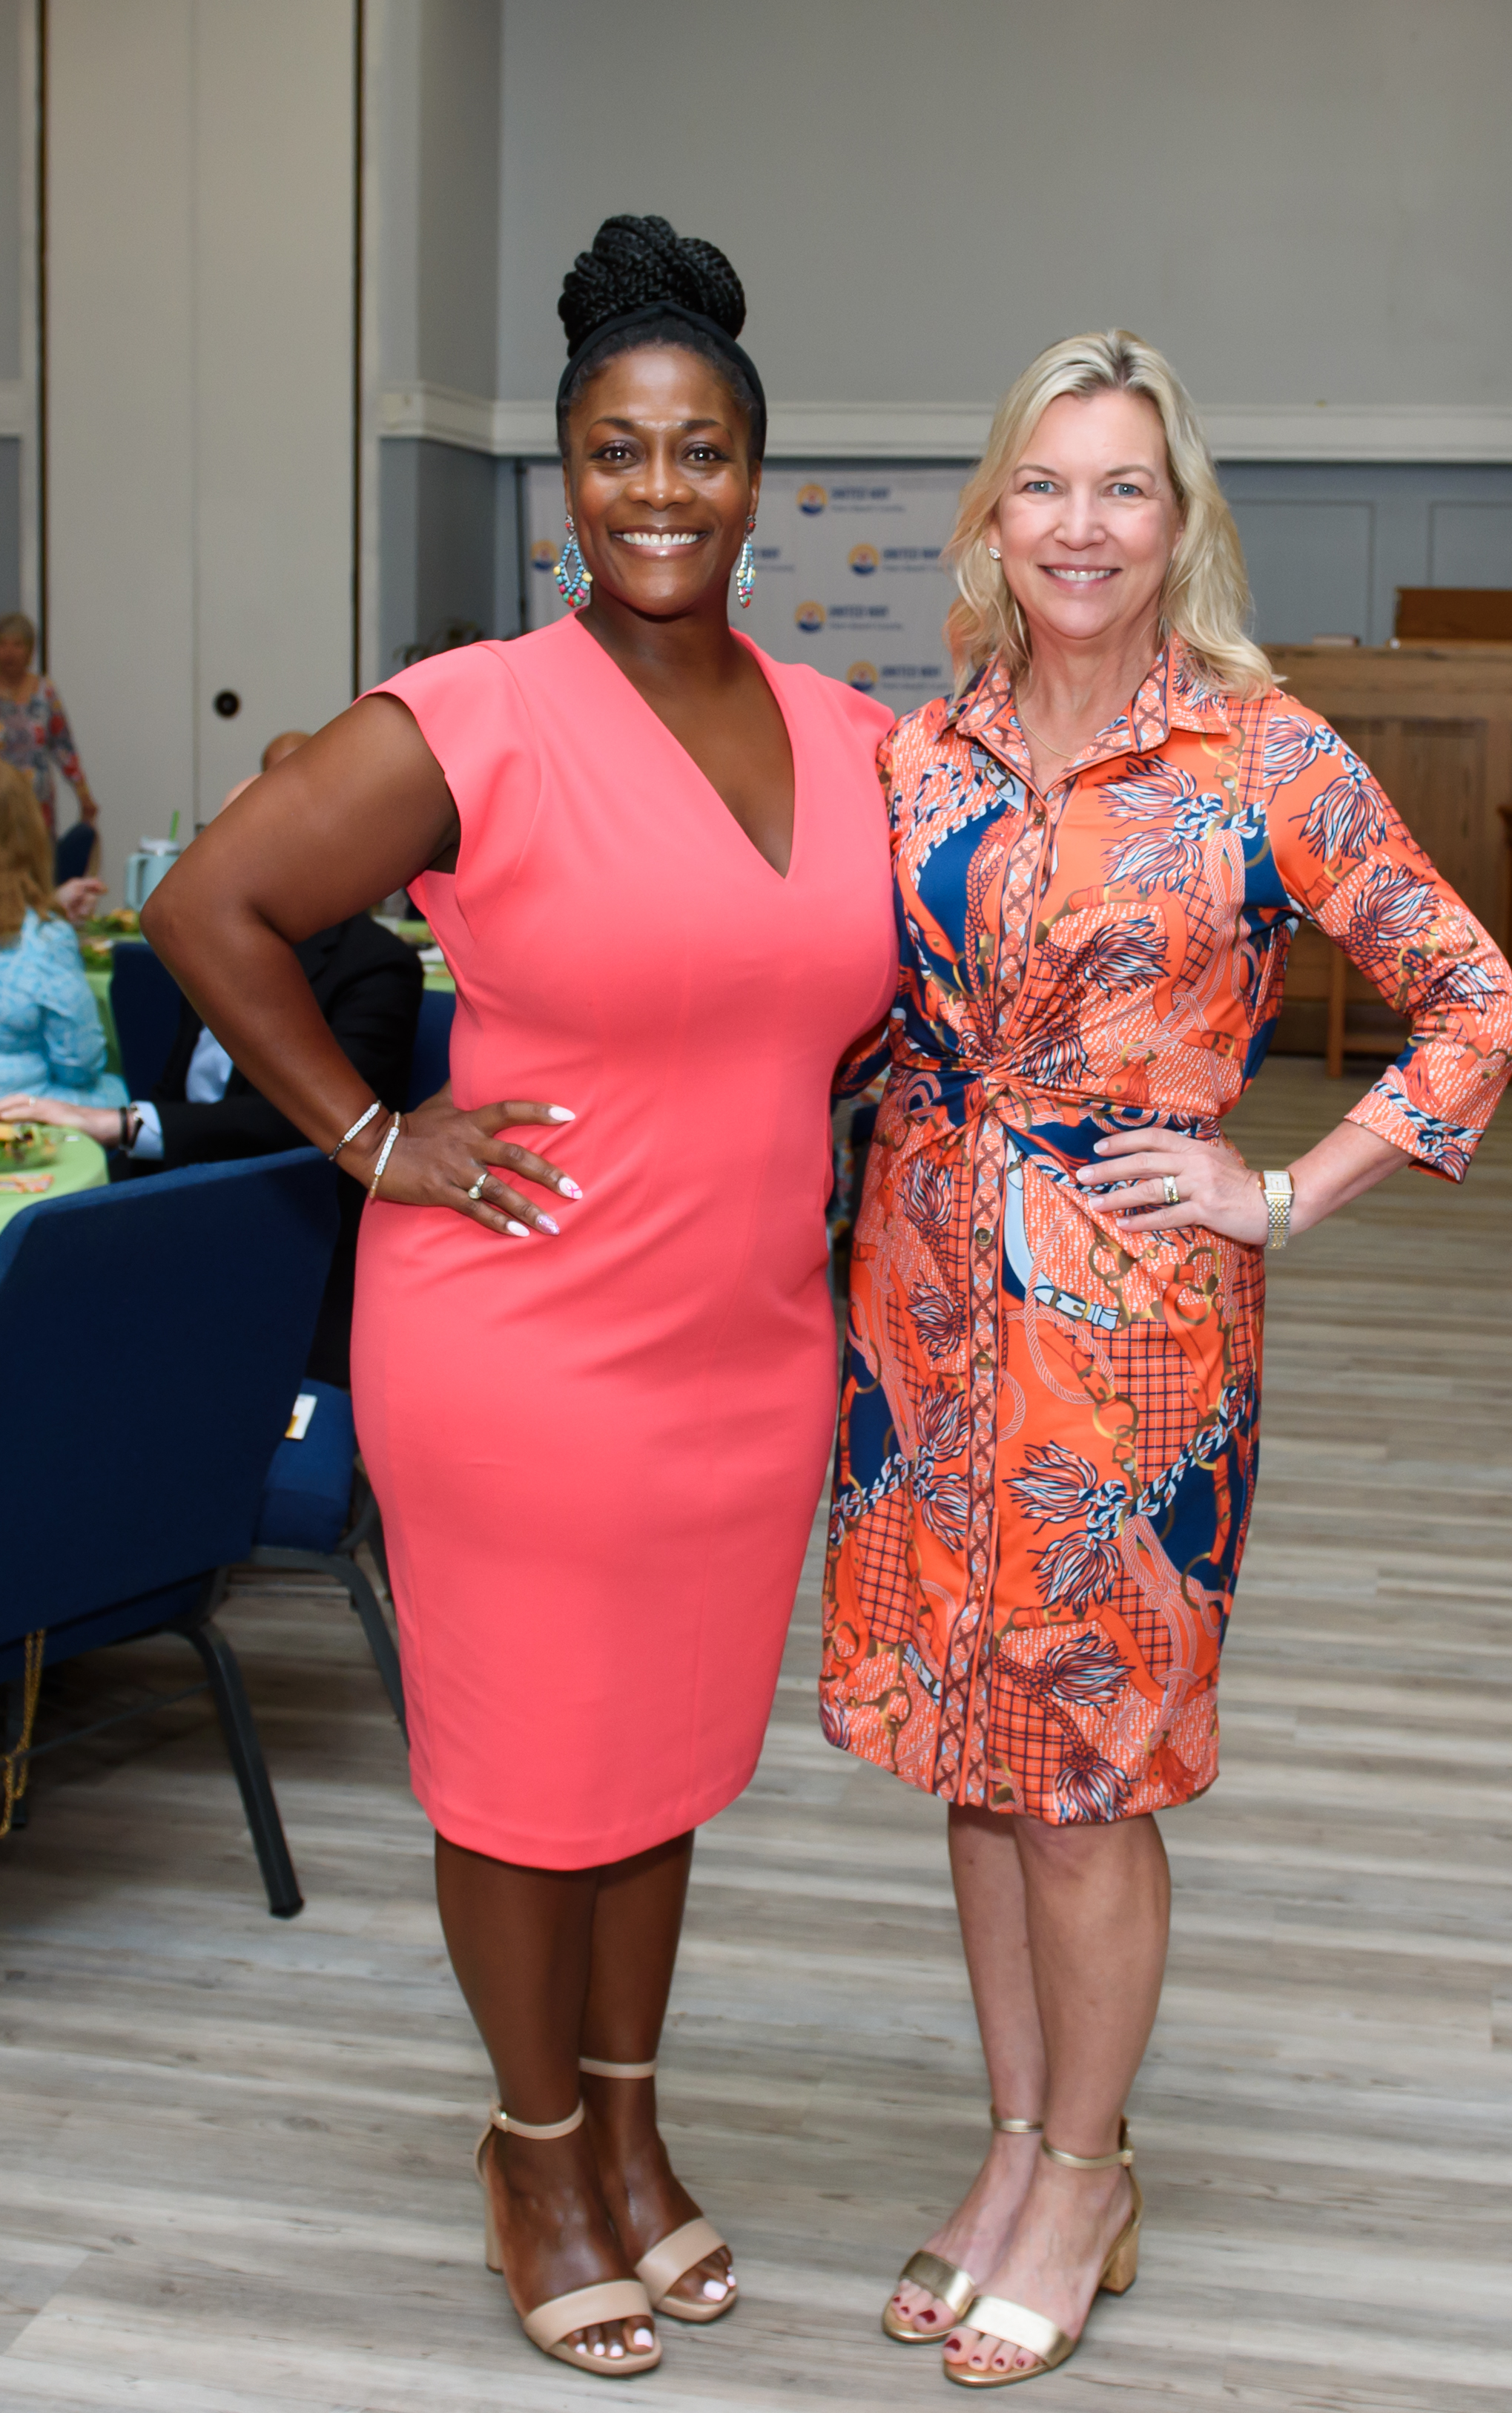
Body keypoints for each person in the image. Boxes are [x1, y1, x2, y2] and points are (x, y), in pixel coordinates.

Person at [142, 214, 896, 2378]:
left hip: (749, 1346)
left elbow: (866, 1007)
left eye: (698, 450)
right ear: (563, 476)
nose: (658, 489)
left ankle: (634, 2130)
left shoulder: (851, 733)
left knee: (661, 1760)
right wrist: (372, 1135)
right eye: (614, 450)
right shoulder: (475, 716)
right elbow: (211, 905)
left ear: (755, 477)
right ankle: (533, 2147)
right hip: (523, 1338)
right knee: (527, 1772)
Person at [826, 331, 1512, 2390]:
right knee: (970, 1762)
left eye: (1122, 485)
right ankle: (1012, 2145)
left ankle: (1085, 2171)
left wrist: (1281, 1191)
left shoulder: (1263, 754)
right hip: (920, 1317)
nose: (1079, 524)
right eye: (1043, 482)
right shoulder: (921, 747)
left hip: (1124, 1348)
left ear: (1179, 521)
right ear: (991, 513)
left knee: (1080, 1783)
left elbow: (1472, 1002)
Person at [7, 905, 422, 1387]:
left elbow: (320, 1122)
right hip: (180, 1179)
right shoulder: (216, 934)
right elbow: (177, 1088)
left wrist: (122, 1124)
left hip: (286, 1207)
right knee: (36, 1242)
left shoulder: (374, 963)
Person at [0, 765, 126, 1113]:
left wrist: (49, 905)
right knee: (129, 1098)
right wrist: (48, 924)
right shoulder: (44, 941)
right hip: (18, 1109)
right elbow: (79, 1065)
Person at [0, 613, 101, 834]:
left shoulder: (45, 692)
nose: (9, 652)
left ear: (30, 652)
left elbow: (64, 749)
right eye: (3, 644)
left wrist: (83, 795)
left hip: (37, 807)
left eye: (17, 645)